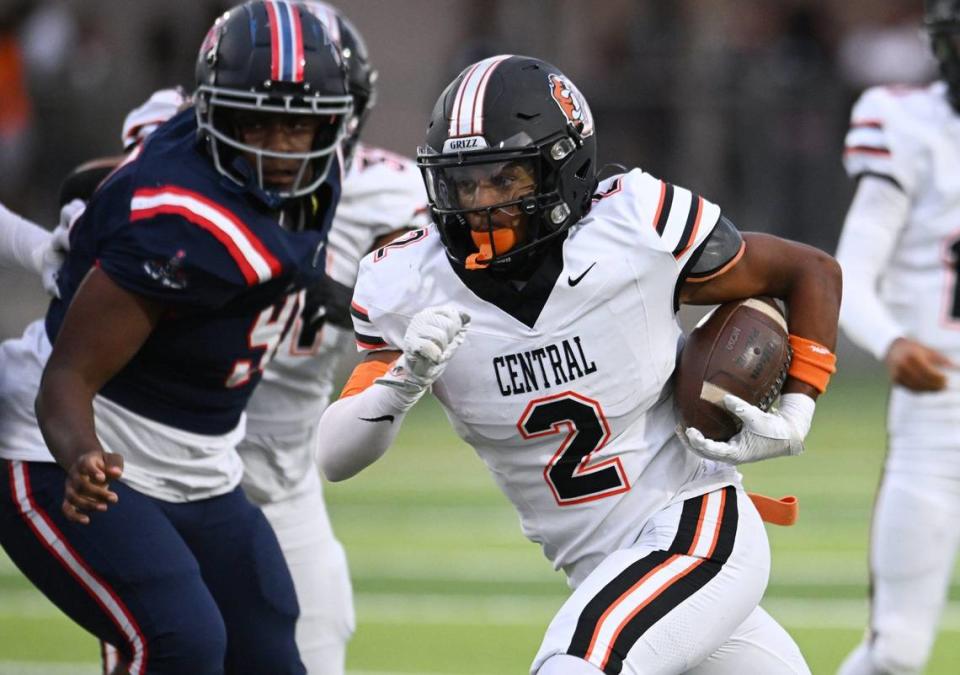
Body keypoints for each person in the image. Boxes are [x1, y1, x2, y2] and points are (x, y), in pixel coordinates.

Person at [316, 54, 842, 674]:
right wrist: (400, 386)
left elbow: (811, 271)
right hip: (603, 568)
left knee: (577, 663)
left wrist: (799, 406)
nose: (482, 205)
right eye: (465, 184)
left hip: (696, 525)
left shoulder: (634, 226)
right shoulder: (407, 282)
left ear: (563, 172)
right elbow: (332, 457)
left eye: (505, 180)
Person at [0, 2, 352, 673]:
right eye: (258, 122)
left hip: (202, 464)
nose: (280, 147)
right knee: (181, 642)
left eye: (300, 124)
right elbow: (65, 379)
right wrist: (80, 457)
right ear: (216, 114)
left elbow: (141, 143)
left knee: (270, 649)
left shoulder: (312, 178)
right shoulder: (180, 224)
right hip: (76, 451)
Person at [836, 2, 960, 674]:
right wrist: (891, 342)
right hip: (940, 412)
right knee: (897, 652)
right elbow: (849, 274)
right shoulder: (911, 125)